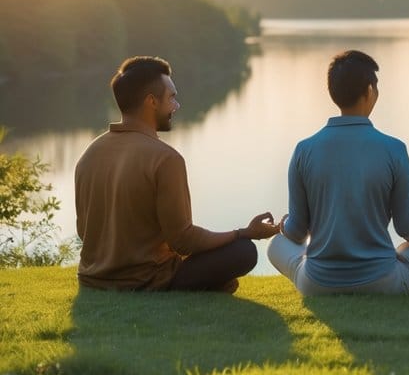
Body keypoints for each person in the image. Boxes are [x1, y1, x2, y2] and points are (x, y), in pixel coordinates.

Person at [75, 56, 279, 292]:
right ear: (151, 101)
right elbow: (184, 241)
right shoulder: (166, 158)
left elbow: (84, 231)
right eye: (171, 97)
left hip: (92, 279)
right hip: (147, 281)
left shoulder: (89, 154)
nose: (176, 106)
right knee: (243, 251)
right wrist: (243, 232)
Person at [268, 50, 409, 296]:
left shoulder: (304, 150)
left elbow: (296, 232)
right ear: (369, 91)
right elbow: (408, 229)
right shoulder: (394, 149)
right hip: (382, 284)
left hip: (317, 285)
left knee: (275, 244)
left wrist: (284, 224)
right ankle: (380, 263)